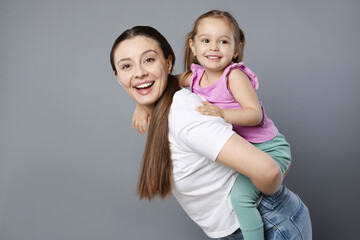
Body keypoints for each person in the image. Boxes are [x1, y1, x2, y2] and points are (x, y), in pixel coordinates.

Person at [110, 25, 312, 239]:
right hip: (243, 227)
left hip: (271, 223)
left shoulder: (185, 114)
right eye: (126, 66)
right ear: (117, 77)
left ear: (168, 63)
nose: (139, 72)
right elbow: (159, 81)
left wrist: (271, 196)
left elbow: (269, 171)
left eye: (149, 60)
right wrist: (142, 104)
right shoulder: (168, 107)